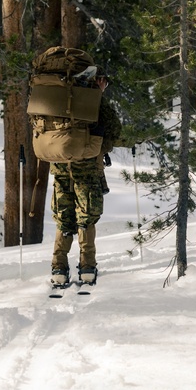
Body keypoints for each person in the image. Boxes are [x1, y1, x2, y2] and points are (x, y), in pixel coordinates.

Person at [50, 72, 122, 287]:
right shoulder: (94, 105)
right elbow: (114, 130)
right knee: (86, 219)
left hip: (60, 169)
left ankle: (58, 268)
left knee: (63, 219)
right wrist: (99, 97)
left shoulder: (56, 100)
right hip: (88, 170)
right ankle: (87, 267)